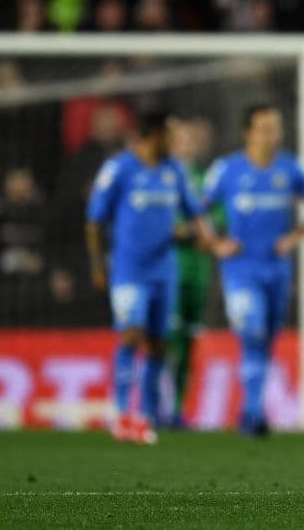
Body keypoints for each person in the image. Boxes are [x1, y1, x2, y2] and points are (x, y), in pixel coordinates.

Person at [86, 110, 227, 444]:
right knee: (131, 336)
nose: (175, 141)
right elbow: (94, 219)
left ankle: (147, 416)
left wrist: (210, 239)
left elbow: (196, 212)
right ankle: (121, 414)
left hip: (164, 273)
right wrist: (96, 264)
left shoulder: (174, 171)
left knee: (159, 345)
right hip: (128, 271)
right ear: (153, 135)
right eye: (170, 133)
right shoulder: (119, 169)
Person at [203, 105, 304, 436]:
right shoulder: (226, 170)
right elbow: (195, 209)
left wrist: (294, 236)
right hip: (241, 269)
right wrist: (216, 244)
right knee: (253, 332)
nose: (271, 134)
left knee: (267, 340)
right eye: (264, 127)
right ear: (247, 132)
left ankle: (253, 409)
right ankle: (252, 413)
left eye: (275, 127)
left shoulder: (290, 169)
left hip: (277, 270)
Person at [167, 116, 216, 428]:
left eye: (190, 137)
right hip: (168, 269)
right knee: (163, 340)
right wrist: (190, 231)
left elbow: (218, 217)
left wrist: (207, 231)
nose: (187, 143)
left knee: (188, 344)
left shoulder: (204, 179)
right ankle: (150, 405)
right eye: (180, 137)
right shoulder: (160, 177)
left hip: (198, 271)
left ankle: (177, 409)